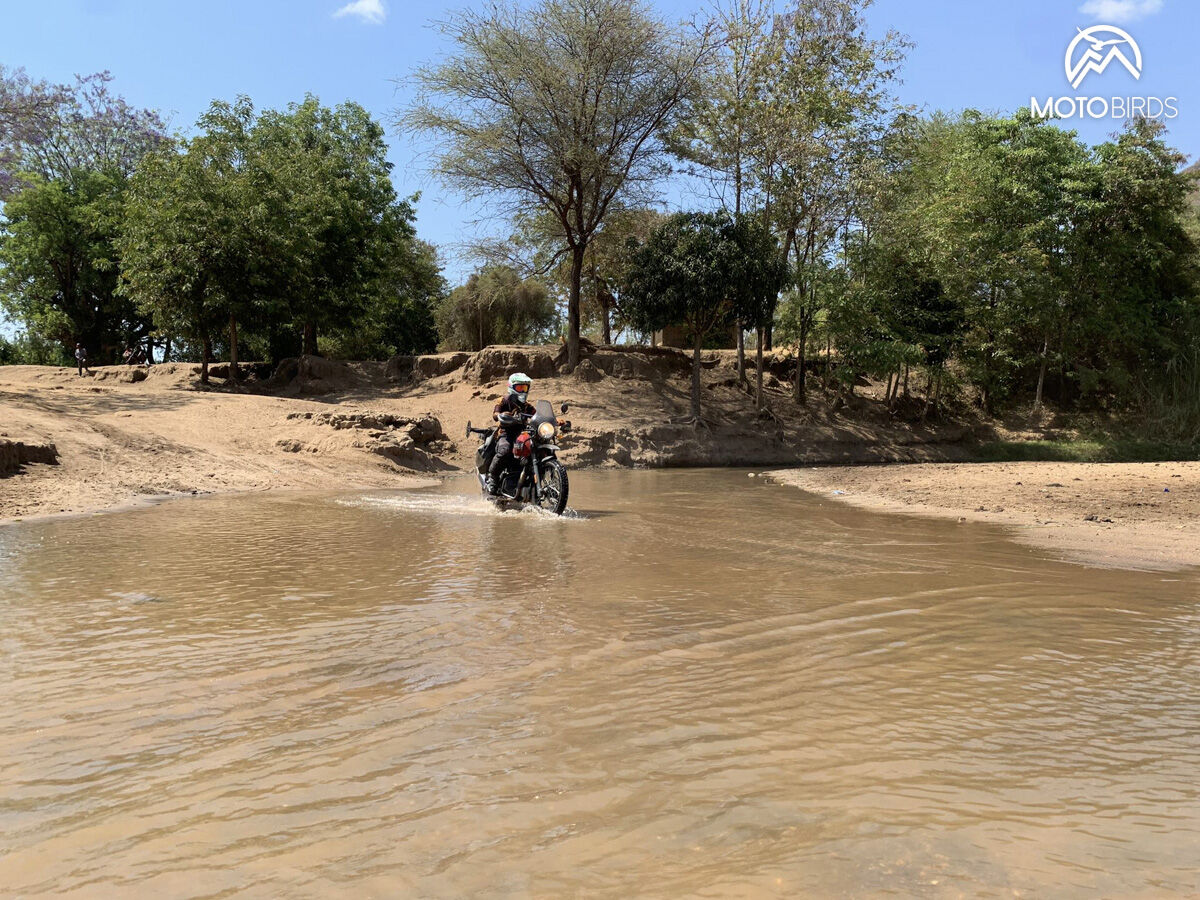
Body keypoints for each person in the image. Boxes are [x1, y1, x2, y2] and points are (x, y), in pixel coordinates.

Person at [486, 372, 536, 495]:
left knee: (531, 451)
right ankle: (493, 478)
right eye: (520, 388)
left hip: (522, 434)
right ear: (512, 387)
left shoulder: (526, 406)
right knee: (506, 449)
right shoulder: (504, 400)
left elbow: (537, 415)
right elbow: (495, 414)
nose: (523, 390)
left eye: (525, 388)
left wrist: (554, 420)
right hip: (505, 433)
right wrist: (501, 415)